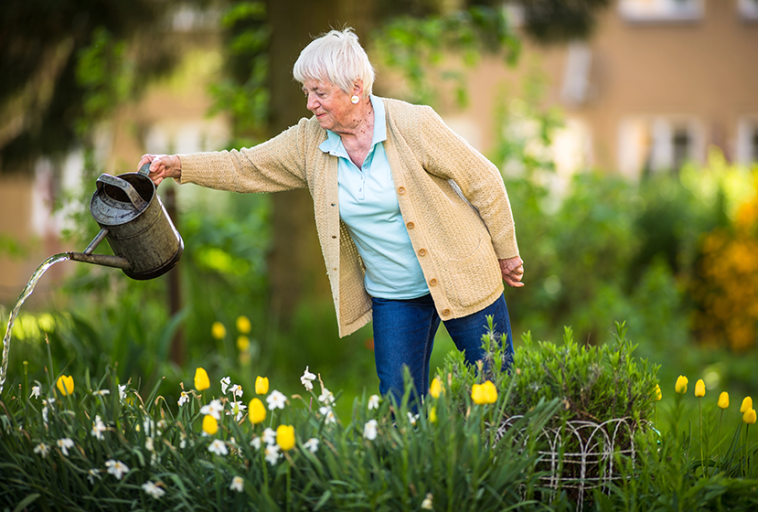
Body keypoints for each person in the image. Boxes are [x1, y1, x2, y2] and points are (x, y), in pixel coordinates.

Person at [138, 28, 524, 402]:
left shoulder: (413, 124)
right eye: (307, 92)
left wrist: (506, 252)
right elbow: (245, 166)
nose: (310, 103)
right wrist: (176, 165)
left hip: (464, 273)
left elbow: (484, 180)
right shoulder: (309, 141)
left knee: (497, 391)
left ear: (356, 88)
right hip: (395, 297)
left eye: (320, 92)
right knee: (399, 409)